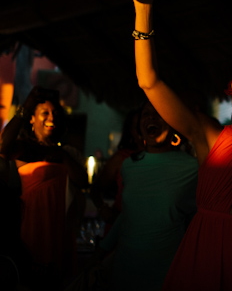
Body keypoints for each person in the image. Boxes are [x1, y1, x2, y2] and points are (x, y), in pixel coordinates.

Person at [130, 0, 232, 290]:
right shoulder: (210, 134)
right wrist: (142, 10)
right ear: (231, 89)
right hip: (206, 250)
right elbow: (148, 81)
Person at [95, 101, 198, 291]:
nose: (151, 117)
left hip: (167, 270)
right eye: (146, 114)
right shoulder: (129, 165)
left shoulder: (192, 167)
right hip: (125, 269)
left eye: (159, 113)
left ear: (172, 122)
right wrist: (102, 250)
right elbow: (130, 214)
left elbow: (199, 217)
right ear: (139, 128)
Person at [0, 86, 88, 290]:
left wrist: (62, 155)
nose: (51, 118)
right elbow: (3, 147)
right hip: (31, 224)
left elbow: (83, 182)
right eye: (44, 113)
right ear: (31, 119)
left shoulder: (67, 153)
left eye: (55, 113)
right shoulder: (25, 148)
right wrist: (26, 106)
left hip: (59, 225)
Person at [90, 107, 143, 235]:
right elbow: (96, 188)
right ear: (130, 131)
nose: (141, 131)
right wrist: (104, 210)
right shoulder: (121, 158)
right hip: (120, 225)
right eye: (137, 127)